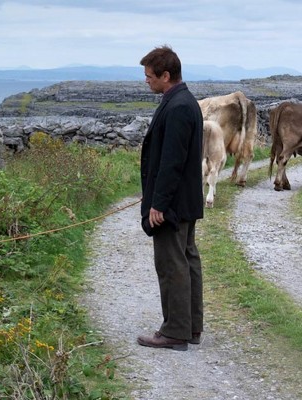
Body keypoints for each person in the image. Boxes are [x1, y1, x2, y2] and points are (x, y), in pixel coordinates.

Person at [136, 45, 204, 351]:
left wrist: (158, 204)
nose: (147, 81)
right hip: (185, 200)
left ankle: (176, 331)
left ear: (166, 75)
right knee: (187, 261)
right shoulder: (184, 101)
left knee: (172, 264)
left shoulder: (177, 107)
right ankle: (191, 327)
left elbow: (172, 162)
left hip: (173, 204)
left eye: (150, 76)